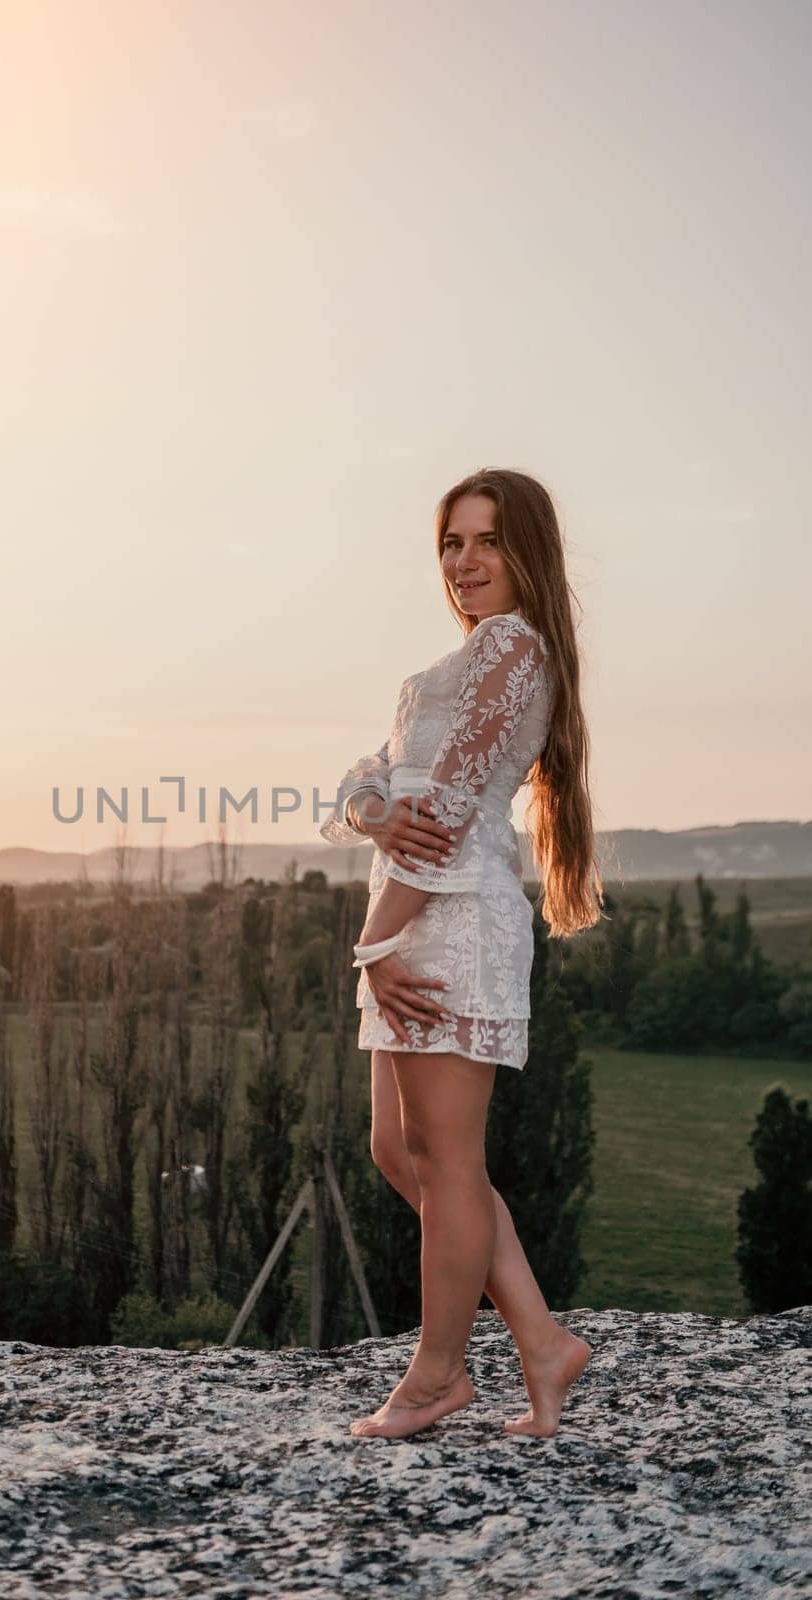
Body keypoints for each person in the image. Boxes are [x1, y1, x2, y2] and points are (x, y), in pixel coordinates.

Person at [320, 467, 604, 1441]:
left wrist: (372, 943)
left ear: (525, 550)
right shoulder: (459, 664)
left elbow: (439, 817)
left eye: (485, 541)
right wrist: (370, 807)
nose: (465, 561)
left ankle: (438, 1375)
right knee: (398, 1149)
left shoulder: (511, 652)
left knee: (444, 1158)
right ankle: (538, 1337)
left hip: (444, 922)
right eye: (451, 542)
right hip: (411, 915)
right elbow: (369, 784)